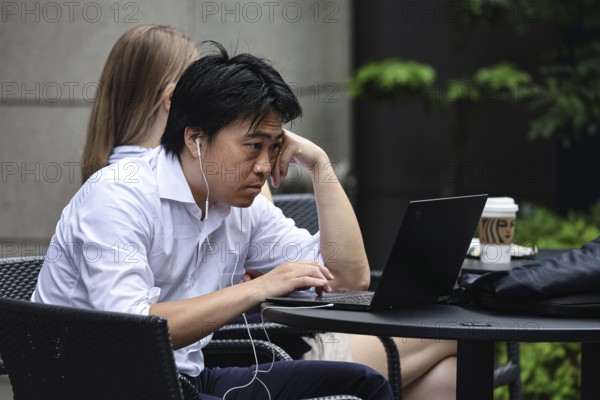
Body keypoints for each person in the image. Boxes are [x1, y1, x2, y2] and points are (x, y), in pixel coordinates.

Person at [33, 41, 393, 399]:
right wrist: (258, 287)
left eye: (274, 147)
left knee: (362, 382)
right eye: (254, 146)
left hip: (183, 380)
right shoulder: (118, 194)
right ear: (195, 139)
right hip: (96, 388)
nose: (265, 166)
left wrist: (320, 166)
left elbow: (348, 279)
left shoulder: (241, 206)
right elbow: (134, 331)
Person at [80, 24, 274, 201]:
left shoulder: (112, 176)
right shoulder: (153, 182)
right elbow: (264, 234)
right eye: (201, 89)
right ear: (172, 98)